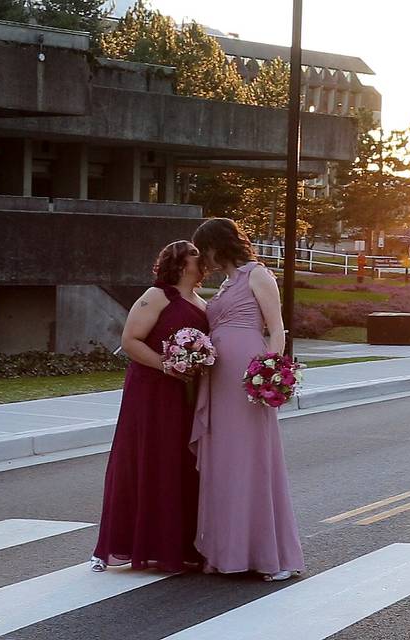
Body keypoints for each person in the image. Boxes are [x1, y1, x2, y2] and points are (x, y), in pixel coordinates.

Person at [190, 218, 305, 582]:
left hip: (247, 380)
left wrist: (269, 374)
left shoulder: (257, 274)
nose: (202, 257)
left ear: (217, 245)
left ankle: (271, 555)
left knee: (252, 461)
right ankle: (228, 552)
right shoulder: (225, 285)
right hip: (218, 382)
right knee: (225, 462)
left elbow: (277, 328)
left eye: (203, 248)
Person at [90, 241, 209, 572]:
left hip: (184, 394)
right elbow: (129, 340)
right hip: (151, 390)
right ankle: (122, 543)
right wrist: (167, 365)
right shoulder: (158, 295)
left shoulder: (201, 301)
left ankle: (176, 543)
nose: (204, 259)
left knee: (177, 462)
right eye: (197, 254)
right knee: (143, 458)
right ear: (182, 262)